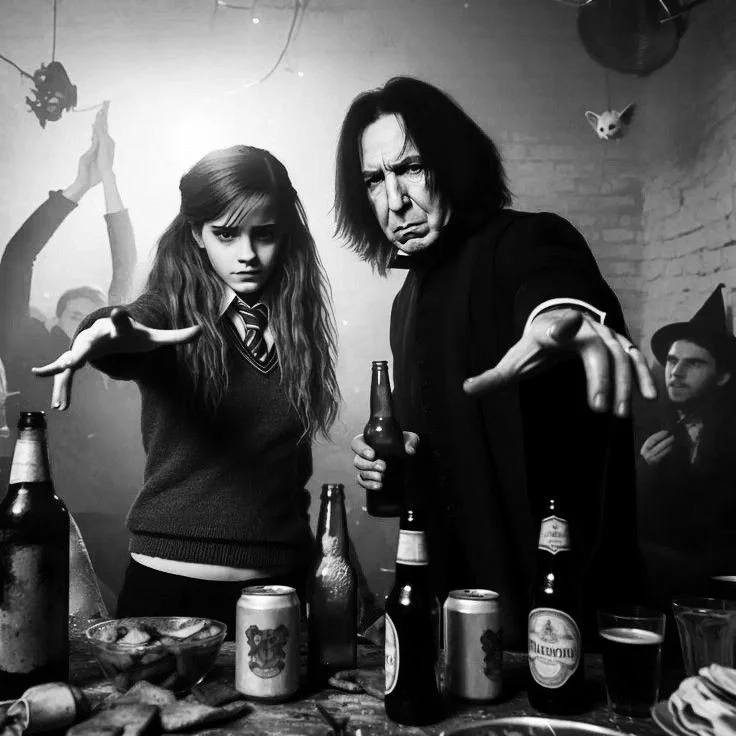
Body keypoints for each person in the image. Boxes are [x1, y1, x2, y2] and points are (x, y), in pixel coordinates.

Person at [338, 77, 657, 648]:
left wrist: (560, 316)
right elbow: (452, 456)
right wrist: (398, 465)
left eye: (411, 167)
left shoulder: (524, 240)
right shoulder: (405, 302)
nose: (395, 200)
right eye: (374, 180)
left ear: (454, 163)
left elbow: (553, 285)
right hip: (460, 624)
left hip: (560, 619)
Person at [34, 145, 340, 635]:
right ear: (197, 233)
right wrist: (105, 332)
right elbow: (131, 326)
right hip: (168, 593)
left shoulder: (297, 325)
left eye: (264, 234)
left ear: (285, 233)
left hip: (280, 589)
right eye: (226, 234)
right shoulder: (171, 313)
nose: (247, 254)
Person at [0, 103, 140, 608]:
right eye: (76, 312)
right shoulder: (30, 350)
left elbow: (124, 270)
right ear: (58, 320)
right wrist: (78, 187)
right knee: (61, 621)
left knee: (132, 623)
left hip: (121, 513)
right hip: (55, 516)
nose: (87, 318)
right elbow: (16, 260)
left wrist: (110, 181)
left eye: (94, 312)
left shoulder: (109, 356)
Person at [638, 284, 736, 604]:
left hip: (716, 581)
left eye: (694, 364)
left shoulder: (729, 432)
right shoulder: (643, 424)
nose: (676, 373)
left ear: (722, 377)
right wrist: (644, 469)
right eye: (672, 361)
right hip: (653, 578)